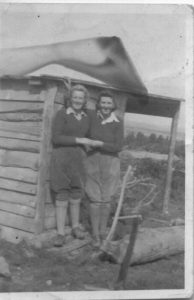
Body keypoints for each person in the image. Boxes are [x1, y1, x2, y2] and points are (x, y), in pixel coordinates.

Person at [50, 84, 95, 247]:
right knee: (62, 194)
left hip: (79, 159)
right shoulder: (62, 114)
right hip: (61, 158)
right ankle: (61, 233)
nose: (77, 100)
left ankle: (75, 227)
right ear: (70, 98)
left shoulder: (86, 117)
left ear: (85, 101)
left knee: (76, 193)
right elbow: (56, 138)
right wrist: (79, 140)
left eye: (80, 98)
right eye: (75, 97)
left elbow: (90, 136)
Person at [86, 90, 124, 247]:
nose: (106, 106)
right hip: (92, 161)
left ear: (113, 105)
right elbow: (75, 104)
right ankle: (95, 235)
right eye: (103, 103)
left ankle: (103, 233)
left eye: (109, 103)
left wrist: (100, 144)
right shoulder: (91, 117)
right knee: (95, 200)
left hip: (111, 163)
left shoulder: (118, 121)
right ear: (98, 104)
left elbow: (118, 146)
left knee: (106, 200)